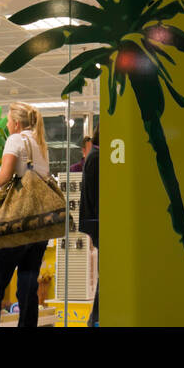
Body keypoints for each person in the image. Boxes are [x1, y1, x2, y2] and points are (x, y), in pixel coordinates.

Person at [0, 101, 52, 327]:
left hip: (17, 223)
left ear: (17, 123)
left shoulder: (16, 139)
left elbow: (3, 178)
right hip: (40, 225)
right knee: (28, 287)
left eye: (10, 121)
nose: (9, 125)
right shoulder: (40, 143)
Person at [80, 126, 99, 326]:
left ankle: (95, 318)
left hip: (95, 224)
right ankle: (95, 319)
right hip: (98, 223)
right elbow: (96, 197)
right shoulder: (96, 158)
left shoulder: (93, 156)